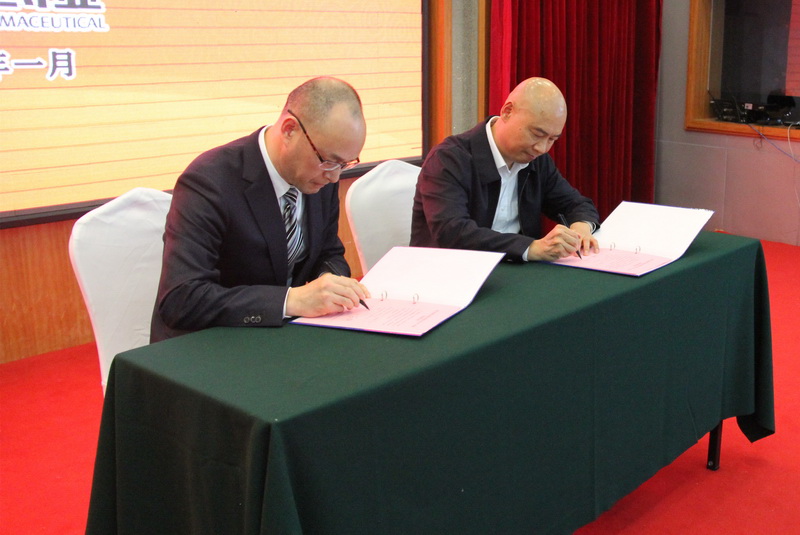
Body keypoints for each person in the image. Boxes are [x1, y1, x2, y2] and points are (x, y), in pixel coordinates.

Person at [150, 76, 370, 342]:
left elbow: (329, 251)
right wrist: (290, 300)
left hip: (282, 336)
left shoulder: (318, 177)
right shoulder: (209, 181)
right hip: (210, 342)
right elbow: (182, 298)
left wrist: (328, 282)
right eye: (329, 161)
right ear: (289, 130)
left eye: (344, 165)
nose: (334, 177)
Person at [410, 77, 600, 262]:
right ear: (507, 112)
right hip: (450, 270)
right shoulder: (448, 159)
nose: (542, 148)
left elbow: (576, 203)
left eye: (552, 139)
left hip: (515, 267)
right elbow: (453, 233)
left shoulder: (537, 160)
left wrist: (580, 228)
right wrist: (531, 248)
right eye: (536, 134)